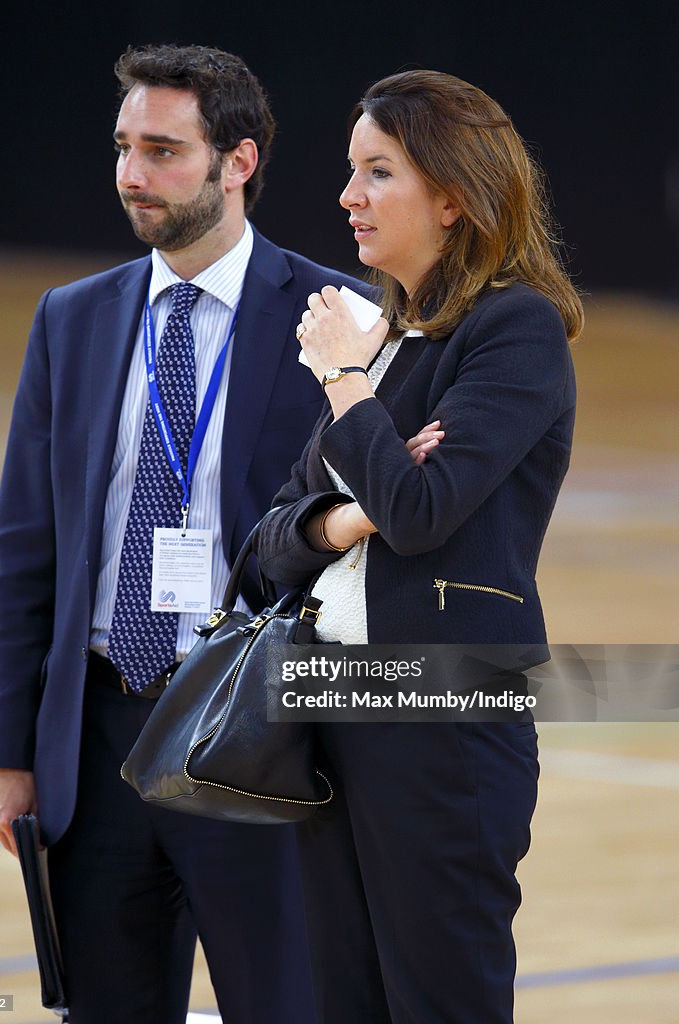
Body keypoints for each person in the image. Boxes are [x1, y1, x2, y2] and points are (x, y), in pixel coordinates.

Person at [0, 43, 370, 1024]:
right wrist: (5, 754)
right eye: (122, 148)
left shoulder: (332, 315)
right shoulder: (71, 318)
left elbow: (372, 541)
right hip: (102, 733)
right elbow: (26, 546)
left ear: (237, 161)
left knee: (285, 1005)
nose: (131, 175)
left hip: (256, 738)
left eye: (162, 150)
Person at [255, 69, 583, 1023]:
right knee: (345, 998)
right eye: (351, 171)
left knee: (440, 998)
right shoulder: (388, 340)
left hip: (439, 713)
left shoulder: (511, 330)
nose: (348, 196)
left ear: (451, 198)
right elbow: (268, 544)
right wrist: (348, 514)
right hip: (329, 706)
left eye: (377, 172)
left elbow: (424, 511)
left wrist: (348, 387)